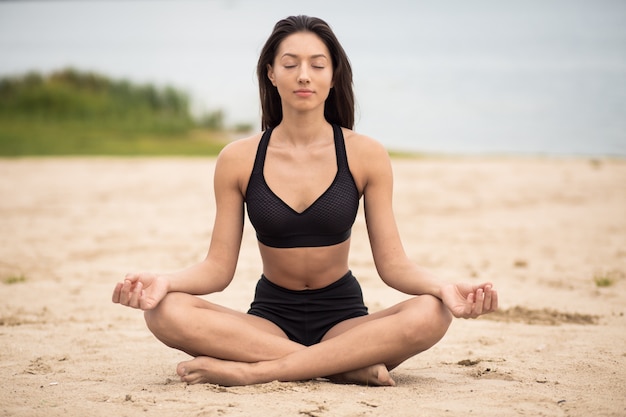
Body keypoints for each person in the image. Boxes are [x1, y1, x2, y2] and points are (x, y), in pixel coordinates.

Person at [112, 15, 498, 387]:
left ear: (333, 76)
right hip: (269, 320)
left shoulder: (365, 154)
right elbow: (217, 269)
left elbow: (393, 265)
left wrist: (444, 287)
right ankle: (342, 367)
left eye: (317, 65)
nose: (303, 75)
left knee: (432, 311)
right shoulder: (238, 159)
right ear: (271, 73)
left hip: (344, 321)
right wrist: (165, 281)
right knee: (164, 311)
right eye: (290, 64)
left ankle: (257, 371)